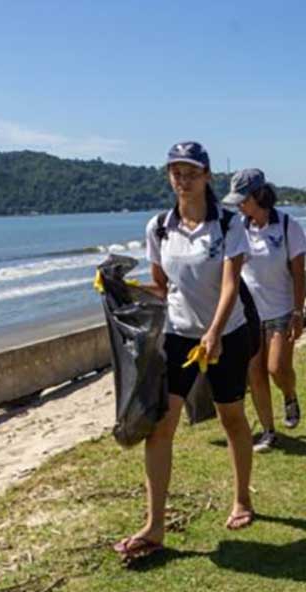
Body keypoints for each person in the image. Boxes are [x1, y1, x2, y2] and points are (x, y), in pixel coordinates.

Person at [112, 141, 256, 562]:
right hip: (178, 336)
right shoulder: (158, 227)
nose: (183, 179)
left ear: (207, 176)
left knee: (231, 417)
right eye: (175, 171)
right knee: (161, 427)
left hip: (227, 332)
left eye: (191, 171)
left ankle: (242, 498)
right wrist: (123, 289)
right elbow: (162, 287)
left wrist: (213, 332)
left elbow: (230, 283)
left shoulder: (228, 224)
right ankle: (154, 524)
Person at [222, 169, 306, 451]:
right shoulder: (239, 229)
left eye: (243, 199)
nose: (239, 206)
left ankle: (290, 393)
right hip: (248, 314)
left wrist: (298, 312)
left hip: (282, 310)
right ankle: (269, 431)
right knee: (255, 373)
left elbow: (299, 274)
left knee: (276, 368)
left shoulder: (287, 226)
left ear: (259, 195)